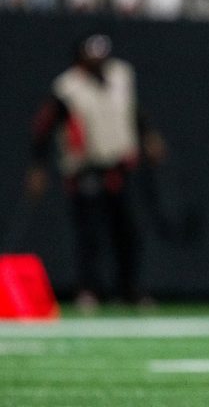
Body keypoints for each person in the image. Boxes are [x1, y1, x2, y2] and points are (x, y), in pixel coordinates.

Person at [25, 32, 166, 310]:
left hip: (121, 165)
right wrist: (38, 166)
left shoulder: (121, 75)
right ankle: (88, 289)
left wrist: (148, 135)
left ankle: (130, 289)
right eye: (92, 55)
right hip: (86, 168)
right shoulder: (67, 87)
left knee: (128, 231)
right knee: (90, 234)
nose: (98, 60)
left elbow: (132, 110)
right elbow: (44, 126)